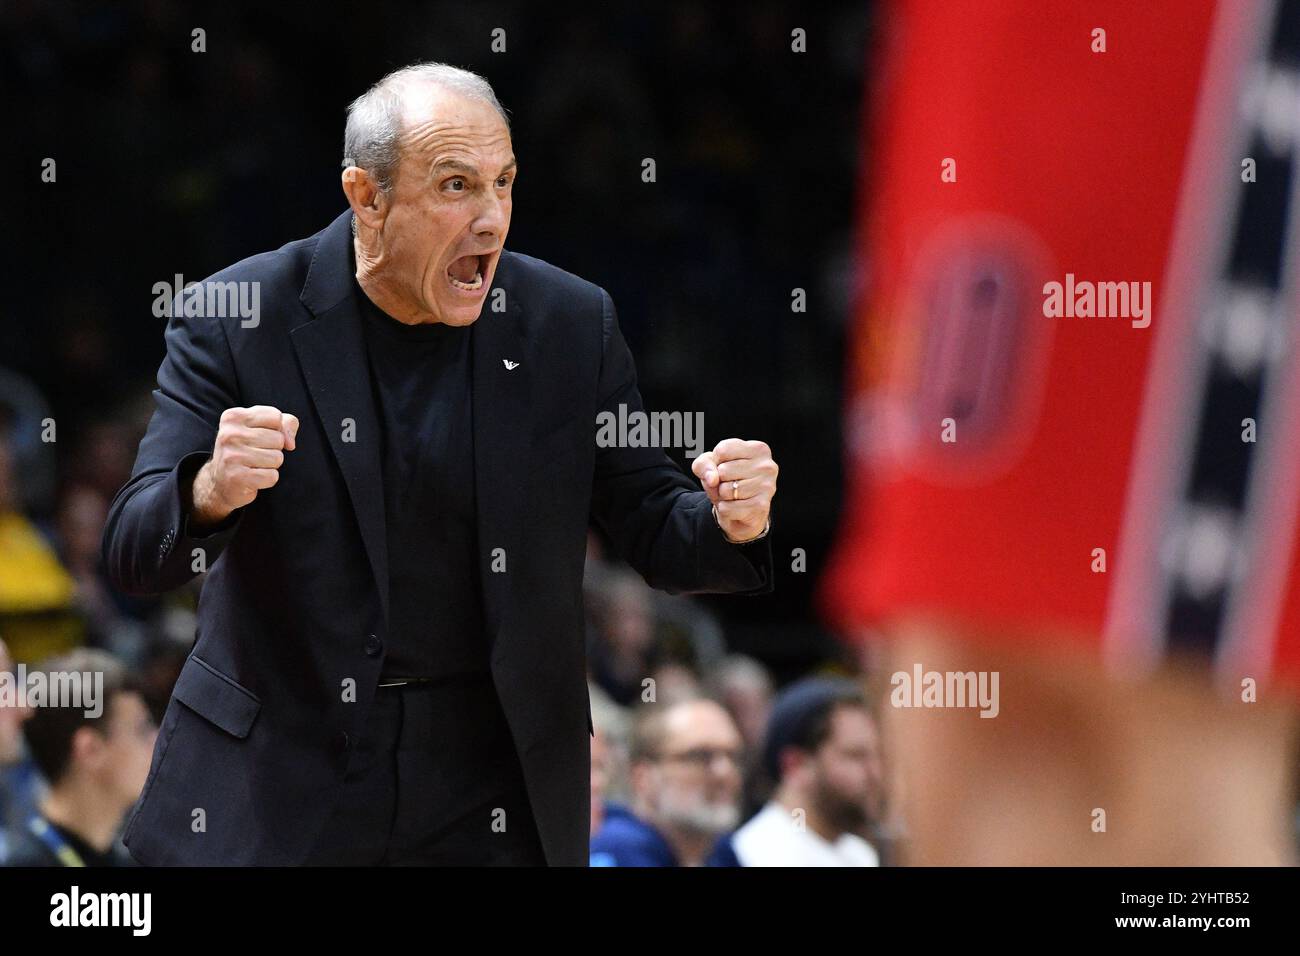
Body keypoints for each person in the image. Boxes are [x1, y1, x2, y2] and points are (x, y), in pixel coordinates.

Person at [102, 62, 778, 866]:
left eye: (504, 182)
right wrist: (211, 490)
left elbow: (654, 521)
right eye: (457, 186)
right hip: (283, 777)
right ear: (367, 197)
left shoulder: (567, 324)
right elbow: (133, 553)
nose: (491, 217)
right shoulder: (240, 316)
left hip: (490, 781)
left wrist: (730, 519)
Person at [4, 650, 153, 867]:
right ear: (90, 749)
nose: (156, 742)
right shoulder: (27, 861)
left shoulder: (128, 858)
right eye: (141, 729)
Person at [731, 677, 883, 866]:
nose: (875, 773)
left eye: (877, 756)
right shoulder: (753, 856)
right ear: (795, 766)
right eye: (855, 756)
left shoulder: (859, 854)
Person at [590, 698, 743, 866]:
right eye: (700, 756)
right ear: (643, 777)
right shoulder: (619, 849)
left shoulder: (721, 851)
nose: (724, 772)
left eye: (733, 756)